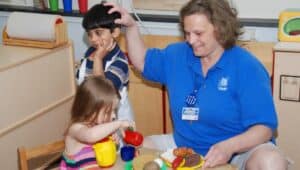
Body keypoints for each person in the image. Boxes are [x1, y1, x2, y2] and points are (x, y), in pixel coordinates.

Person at [106, 0, 290, 169]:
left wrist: (229, 147)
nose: (191, 40)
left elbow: (265, 129)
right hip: (183, 145)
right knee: (133, 152)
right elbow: (143, 62)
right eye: (187, 33)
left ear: (220, 28)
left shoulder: (247, 67)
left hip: (237, 151)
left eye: (198, 33)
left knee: (271, 161)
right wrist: (130, 27)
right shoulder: (178, 54)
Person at [60, 76, 135, 169]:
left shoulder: (99, 127)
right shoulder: (75, 128)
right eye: (108, 112)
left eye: (114, 110)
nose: (113, 116)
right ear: (91, 109)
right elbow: (91, 136)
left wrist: (113, 144)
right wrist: (118, 123)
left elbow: (102, 154)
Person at [77, 2, 134, 122]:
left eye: (98, 33)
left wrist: (97, 59)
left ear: (115, 32)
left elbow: (102, 94)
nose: (93, 39)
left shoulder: (120, 63)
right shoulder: (89, 53)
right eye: (90, 34)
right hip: (92, 116)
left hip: (116, 122)